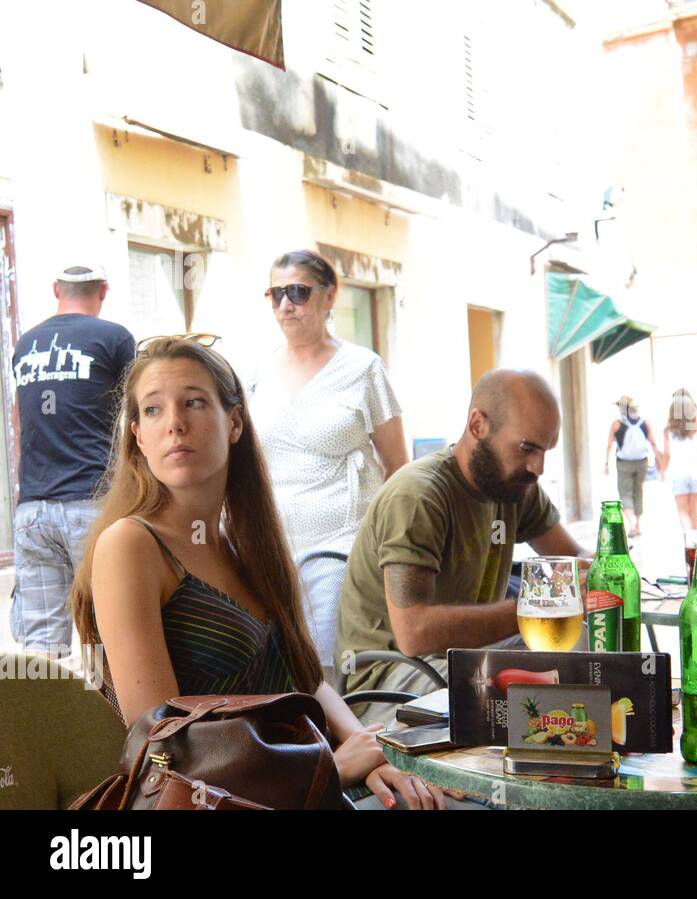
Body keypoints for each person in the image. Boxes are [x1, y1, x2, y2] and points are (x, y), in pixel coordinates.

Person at [66, 337, 444, 809]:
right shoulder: (130, 544)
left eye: (194, 402)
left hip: (301, 785)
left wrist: (370, 750)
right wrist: (330, 767)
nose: (175, 424)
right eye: (154, 410)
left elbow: (305, 675)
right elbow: (159, 741)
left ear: (236, 423)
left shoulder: (242, 543)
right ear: (138, 437)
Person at [336, 369, 591, 724]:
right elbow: (414, 633)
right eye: (527, 448)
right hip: (389, 678)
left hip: (466, 659)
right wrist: (535, 610)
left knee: (583, 649)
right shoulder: (418, 496)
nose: (538, 466)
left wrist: (600, 569)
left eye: (545, 450)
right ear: (477, 425)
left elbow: (573, 557)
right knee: (520, 706)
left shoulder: (514, 486)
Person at [250, 250, 408, 678]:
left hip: (342, 545)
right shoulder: (257, 372)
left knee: (327, 667)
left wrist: (389, 550)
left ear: (329, 297)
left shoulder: (363, 368)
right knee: (276, 666)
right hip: (271, 545)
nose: (286, 305)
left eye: (298, 292)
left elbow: (397, 466)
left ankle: (340, 744)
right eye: (276, 294)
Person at [10, 263, 135, 656]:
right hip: (92, 504)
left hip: (32, 510)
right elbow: (139, 412)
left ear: (56, 290)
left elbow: (24, 421)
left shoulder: (25, 344)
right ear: (103, 291)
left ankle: (40, 716)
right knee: (106, 634)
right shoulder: (115, 338)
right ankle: (107, 716)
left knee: (40, 646)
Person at [603, 396, 661, 537]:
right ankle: (638, 524)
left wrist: (606, 464)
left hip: (624, 463)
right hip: (642, 461)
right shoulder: (644, 422)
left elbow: (610, 444)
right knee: (638, 491)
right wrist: (659, 461)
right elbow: (653, 443)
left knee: (625, 492)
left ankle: (632, 523)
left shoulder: (616, 424)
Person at [661, 388, 697, 531]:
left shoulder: (667, 431)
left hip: (678, 473)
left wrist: (662, 471)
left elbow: (667, 454)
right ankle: (695, 543)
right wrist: (689, 407)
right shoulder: (695, 428)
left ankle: (689, 543)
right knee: (694, 511)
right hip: (696, 472)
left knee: (682, 512)